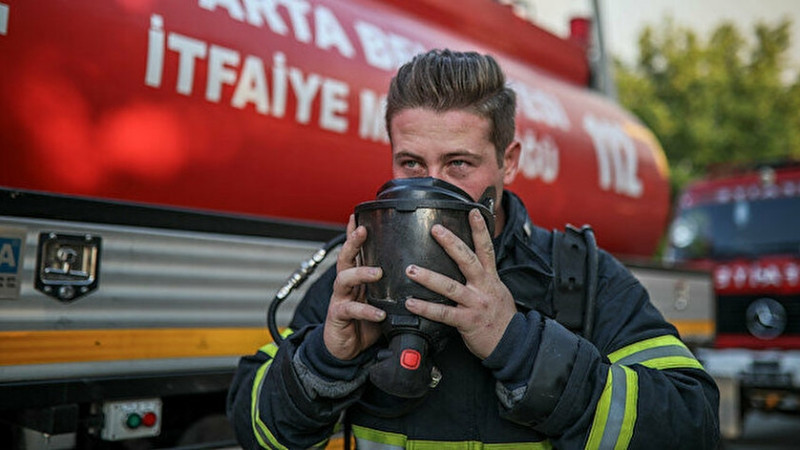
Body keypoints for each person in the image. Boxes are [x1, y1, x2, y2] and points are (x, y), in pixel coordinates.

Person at [227, 49, 720, 449]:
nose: (432, 187)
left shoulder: (576, 275)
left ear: (509, 162)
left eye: (460, 163)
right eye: (412, 163)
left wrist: (520, 345)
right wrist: (324, 360)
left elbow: (692, 424)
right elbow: (255, 427)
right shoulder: (363, 273)